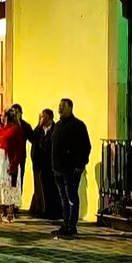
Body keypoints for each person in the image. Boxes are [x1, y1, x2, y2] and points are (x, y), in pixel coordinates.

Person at [51, 98, 91, 239]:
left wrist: (80, 165)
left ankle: (72, 226)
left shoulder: (78, 126)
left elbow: (86, 147)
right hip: (58, 169)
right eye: (59, 105)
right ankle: (65, 223)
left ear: (70, 108)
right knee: (63, 198)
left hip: (71, 169)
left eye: (63, 106)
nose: (60, 108)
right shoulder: (58, 125)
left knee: (71, 197)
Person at [0, 108, 24, 222]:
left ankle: (10, 212)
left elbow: (19, 149)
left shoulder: (16, 129)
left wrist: (14, 164)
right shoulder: (1, 129)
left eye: (4, 115)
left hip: (8, 160)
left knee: (9, 185)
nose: (2, 117)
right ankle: (0, 211)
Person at [30, 109, 61, 219]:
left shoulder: (55, 128)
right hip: (41, 163)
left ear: (48, 117)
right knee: (44, 188)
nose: (41, 118)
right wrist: (38, 126)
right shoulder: (39, 129)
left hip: (52, 163)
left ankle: (55, 211)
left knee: (53, 188)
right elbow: (33, 139)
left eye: (43, 116)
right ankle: (45, 210)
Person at [10, 103, 34, 200]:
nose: (15, 114)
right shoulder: (8, 125)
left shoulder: (25, 125)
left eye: (17, 112)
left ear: (21, 113)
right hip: (8, 157)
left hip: (20, 157)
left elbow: (33, 139)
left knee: (19, 179)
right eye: (13, 112)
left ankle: (16, 202)